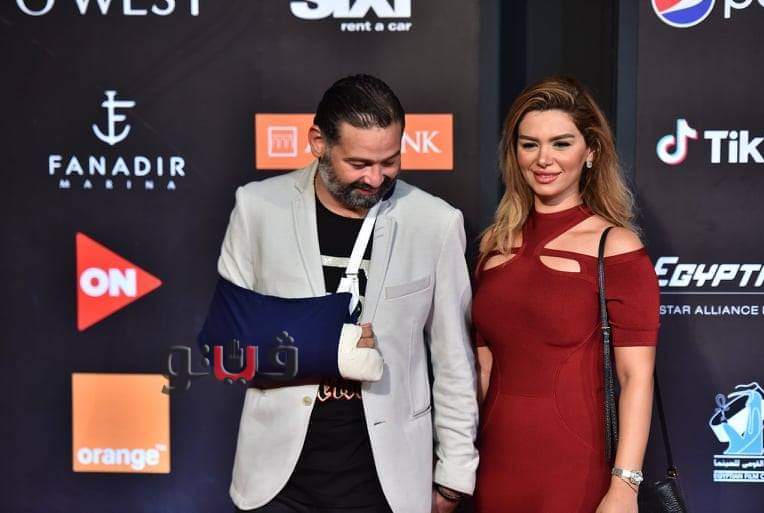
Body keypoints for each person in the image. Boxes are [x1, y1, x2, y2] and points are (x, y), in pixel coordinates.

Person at [216, 74, 478, 513]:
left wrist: (454, 475)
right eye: (358, 163)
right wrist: (326, 345)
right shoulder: (258, 207)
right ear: (318, 142)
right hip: (277, 481)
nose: (375, 178)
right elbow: (227, 342)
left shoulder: (435, 222)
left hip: (387, 480)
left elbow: (454, 358)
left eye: (390, 161)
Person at [472, 77, 659, 513]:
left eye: (561, 143)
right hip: (493, 465)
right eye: (530, 144)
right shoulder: (493, 246)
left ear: (590, 151)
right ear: (515, 153)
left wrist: (625, 486)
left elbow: (636, 377)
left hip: (576, 469)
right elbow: (483, 370)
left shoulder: (616, 248)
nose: (544, 159)